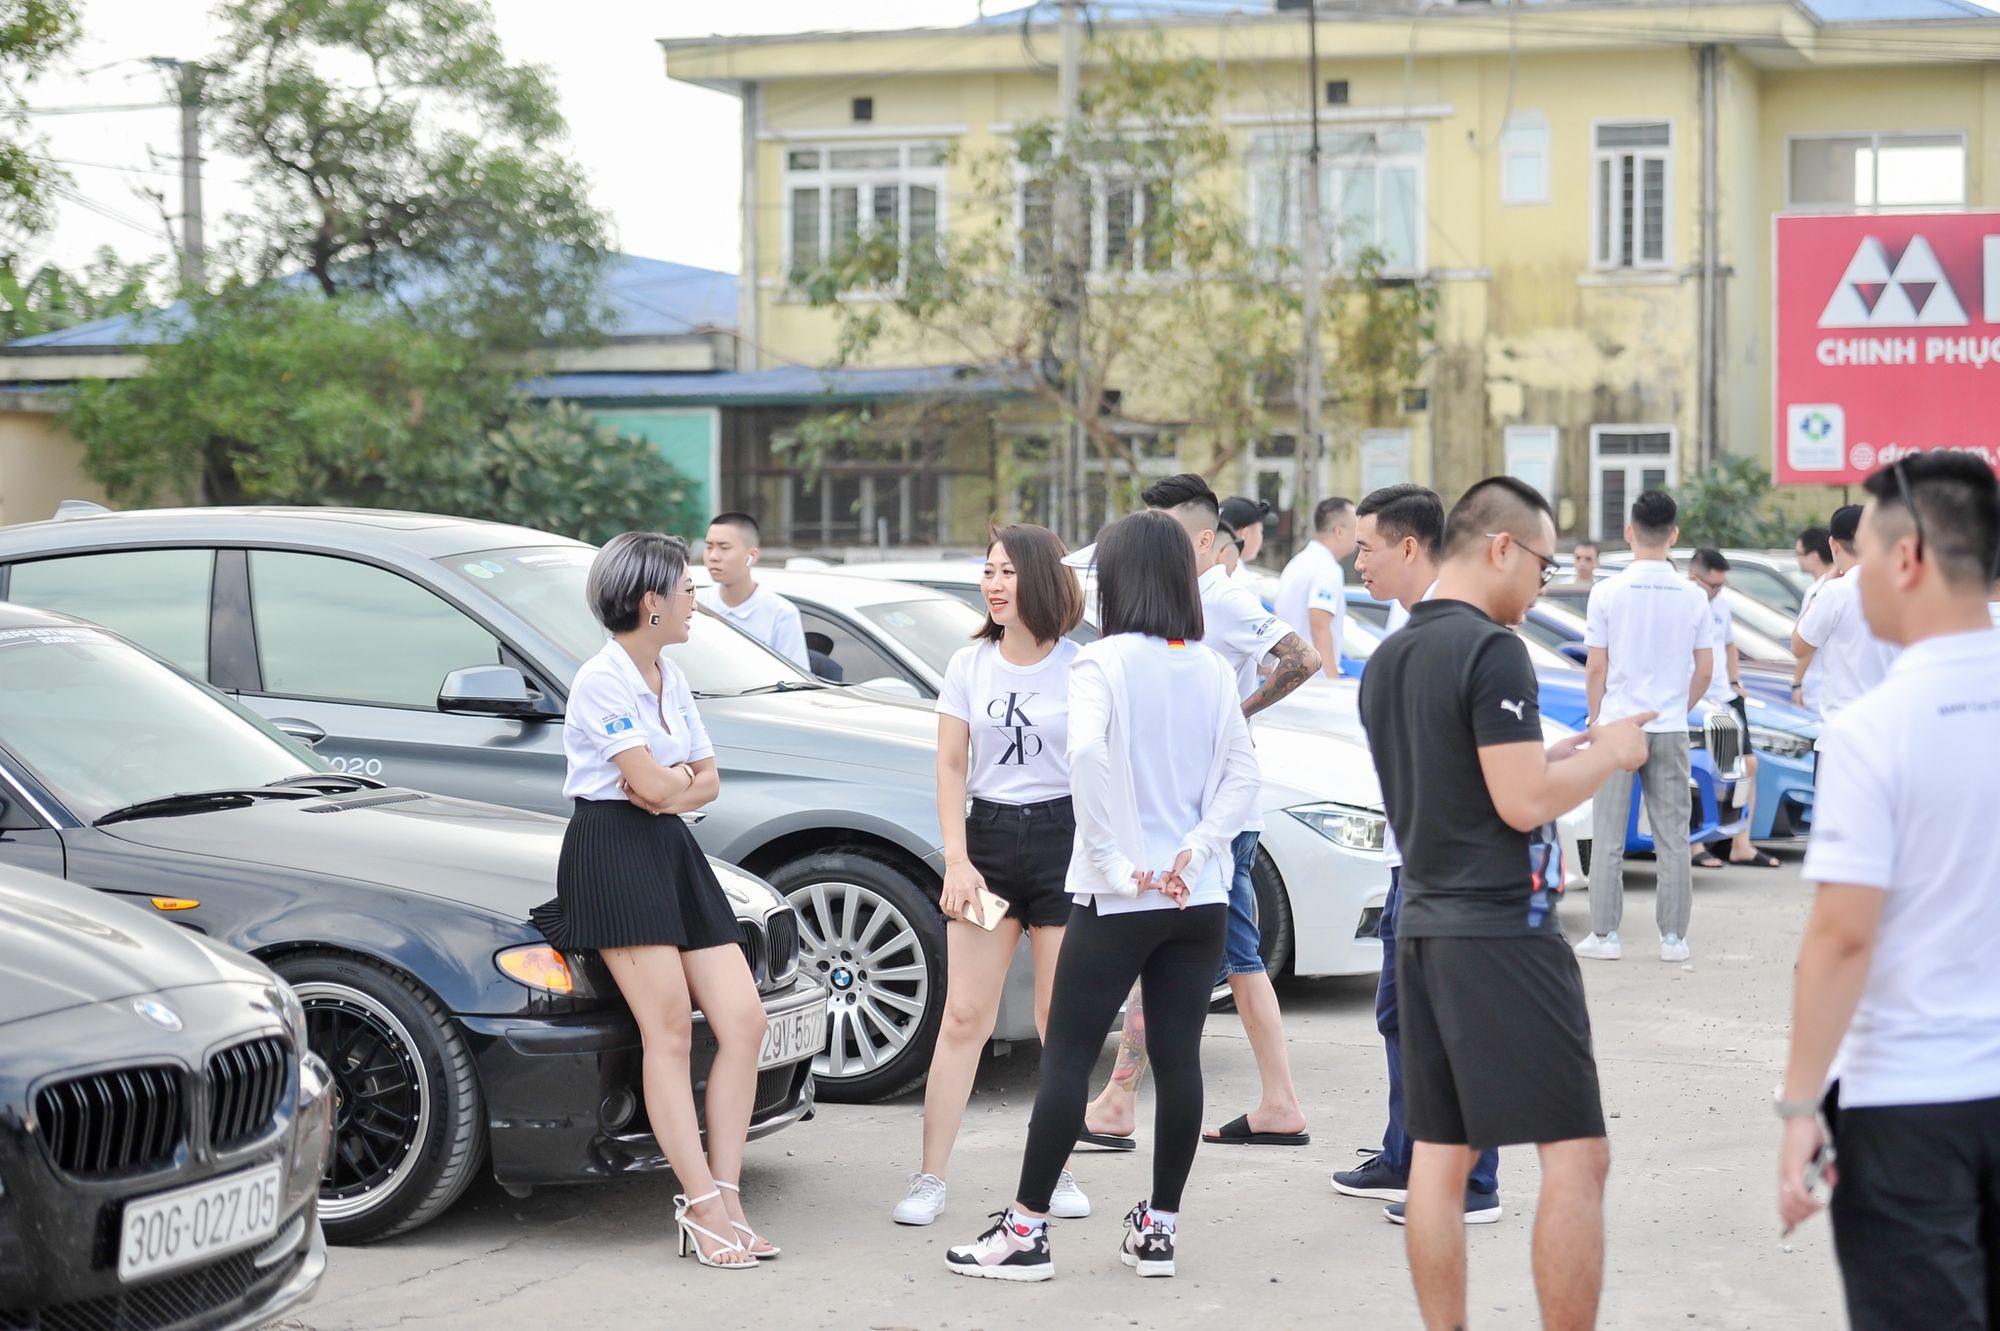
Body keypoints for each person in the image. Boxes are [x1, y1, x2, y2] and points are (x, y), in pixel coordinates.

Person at [1359, 477, 1652, 1331]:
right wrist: (1613, 752)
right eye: (1544, 565)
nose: (1544, 583)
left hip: (1422, 929)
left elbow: (1458, 780)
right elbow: (1522, 802)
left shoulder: (1390, 660)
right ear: (1501, 548)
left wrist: (1557, 752)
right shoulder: (1493, 649)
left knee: (1439, 1159)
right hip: (1500, 930)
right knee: (1577, 1155)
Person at [945, 510, 1260, 1283]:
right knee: (1180, 1061)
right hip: (1197, 896)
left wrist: (1118, 863)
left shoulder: (1101, 663)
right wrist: (1197, 850)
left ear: (1119, 579)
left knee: (1068, 1056)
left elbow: (1085, 754)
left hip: (1117, 899)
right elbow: (1243, 775)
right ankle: (1159, 1230)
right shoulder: (1210, 667)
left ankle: (1025, 1231)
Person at [1775, 454, 2000, 1331]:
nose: (1851, 576)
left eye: (1861, 554)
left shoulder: (1875, 730)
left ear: (1907, 559)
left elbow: (1842, 935)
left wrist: (1800, 1104)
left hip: (1909, 1101)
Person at [529, 532, 771, 1269]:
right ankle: (701, 1207)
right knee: (667, 1031)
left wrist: (670, 788)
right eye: (687, 588)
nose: (697, 599)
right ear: (650, 602)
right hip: (611, 850)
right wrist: (671, 785)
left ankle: (727, 1194)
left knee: (745, 1020)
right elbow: (653, 783)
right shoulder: (600, 680)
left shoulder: (670, 674)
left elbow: (701, 781)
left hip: (667, 847)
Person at [1080, 474, 1320, 1152]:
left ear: (1206, 540)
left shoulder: (1221, 597)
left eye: (1165, 533)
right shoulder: (1183, 600)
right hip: (1200, 812)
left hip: (1215, 818)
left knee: (1199, 952)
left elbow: (1303, 657)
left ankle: (1124, 1101)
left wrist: (1234, 716)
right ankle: (1267, 1100)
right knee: (1232, 957)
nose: (1150, 546)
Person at [893, 526, 1090, 1228]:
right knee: (964, 1016)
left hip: (1064, 844)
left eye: (1008, 571)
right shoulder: (968, 664)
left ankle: (1055, 1171)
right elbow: (951, 766)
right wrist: (957, 858)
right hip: (989, 847)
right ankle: (930, 1178)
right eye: (988, 571)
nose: (994, 584)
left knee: (1058, 1020)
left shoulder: (1082, 666)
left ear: (1041, 577)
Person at [1334, 483, 1503, 1224]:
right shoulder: (1407, 624)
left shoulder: (1460, 631)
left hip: (1451, 869)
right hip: (1409, 860)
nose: (1357, 562)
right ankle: (1406, 1154)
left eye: (1365, 548)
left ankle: (1474, 1181)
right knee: (1400, 1014)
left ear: (1409, 547)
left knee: (1456, 1025)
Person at [1572, 490, 1715, 964]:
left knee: (1609, 835)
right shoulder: (1694, 595)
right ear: (1674, 535)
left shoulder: (1607, 592)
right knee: (1673, 836)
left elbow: (1596, 666)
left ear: (1629, 532)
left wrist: (1596, 719)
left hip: (1617, 725)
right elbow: (1705, 669)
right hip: (1670, 725)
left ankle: (1605, 935)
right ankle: (1673, 939)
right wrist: (1677, 707)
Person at [1687, 549, 1781, 872]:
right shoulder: (1684, 603)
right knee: (1700, 769)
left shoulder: (1720, 604)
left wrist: (1734, 679)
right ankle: (1695, 843)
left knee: (1748, 764)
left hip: (1724, 695)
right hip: (1697, 698)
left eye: (1721, 585)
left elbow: (1728, 643)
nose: (1718, 591)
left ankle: (1741, 844)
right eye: (1713, 585)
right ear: (1694, 578)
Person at [1791, 505, 1899, 729]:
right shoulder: (1903, 586)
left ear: (1833, 543)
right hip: (1893, 721)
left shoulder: (1835, 592)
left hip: (1845, 725)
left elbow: (1799, 647)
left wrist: (1822, 590)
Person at [698, 512, 810, 671]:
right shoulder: (694, 605)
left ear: (752, 556)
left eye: (724, 547)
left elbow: (796, 677)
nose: (713, 556)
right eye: (709, 547)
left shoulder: (781, 613)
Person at [1276, 496, 1357, 682]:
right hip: (1313, 682)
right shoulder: (1326, 568)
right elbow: (1319, 622)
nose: (1358, 535)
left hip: (1287, 677)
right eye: (1355, 527)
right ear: (1339, 531)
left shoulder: (1298, 562)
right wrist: (1333, 681)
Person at [1792, 526, 1835, 714]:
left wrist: (1797, 682)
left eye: (1799, 554)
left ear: (1814, 556)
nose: (1797, 559)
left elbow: (1807, 641)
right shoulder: (1843, 585)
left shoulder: (1819, 591)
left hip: (1818, 686)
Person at [1218, 494, 1277, 575]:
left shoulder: (1204, 571)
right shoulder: (1243, 580)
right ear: (1245, 535)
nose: (1261, 537)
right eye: (1260, 531)